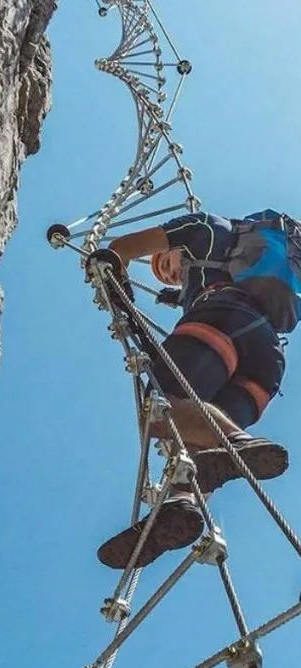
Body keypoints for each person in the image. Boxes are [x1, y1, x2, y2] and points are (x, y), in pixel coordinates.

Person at [96, 209, 301, 569]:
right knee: (195, 449)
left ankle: (237, 443)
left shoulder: (206, 227)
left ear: (177, 247)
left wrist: (106, 267)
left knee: (160, 412)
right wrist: (175, 295)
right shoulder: (228, 262)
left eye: (166, 263)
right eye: (167, 276)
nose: (170, 274)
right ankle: (179, 503)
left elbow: (120, 249)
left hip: (224, 318)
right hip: (267, 359)